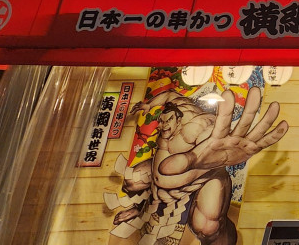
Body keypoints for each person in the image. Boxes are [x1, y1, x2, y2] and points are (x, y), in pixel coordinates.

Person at [115, 89, 288, 245]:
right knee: (132, 180)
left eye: (168, 120)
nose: (163, 125)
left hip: (202, 177)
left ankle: (219, 230)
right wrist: (149, 105)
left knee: (206, 227)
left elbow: (210, 148)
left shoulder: (198, 128)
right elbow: (169, 95)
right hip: (165, 185)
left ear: (179, 119)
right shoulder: (178, 106)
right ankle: (140, 208)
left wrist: (197, 160)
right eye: (161, 121)